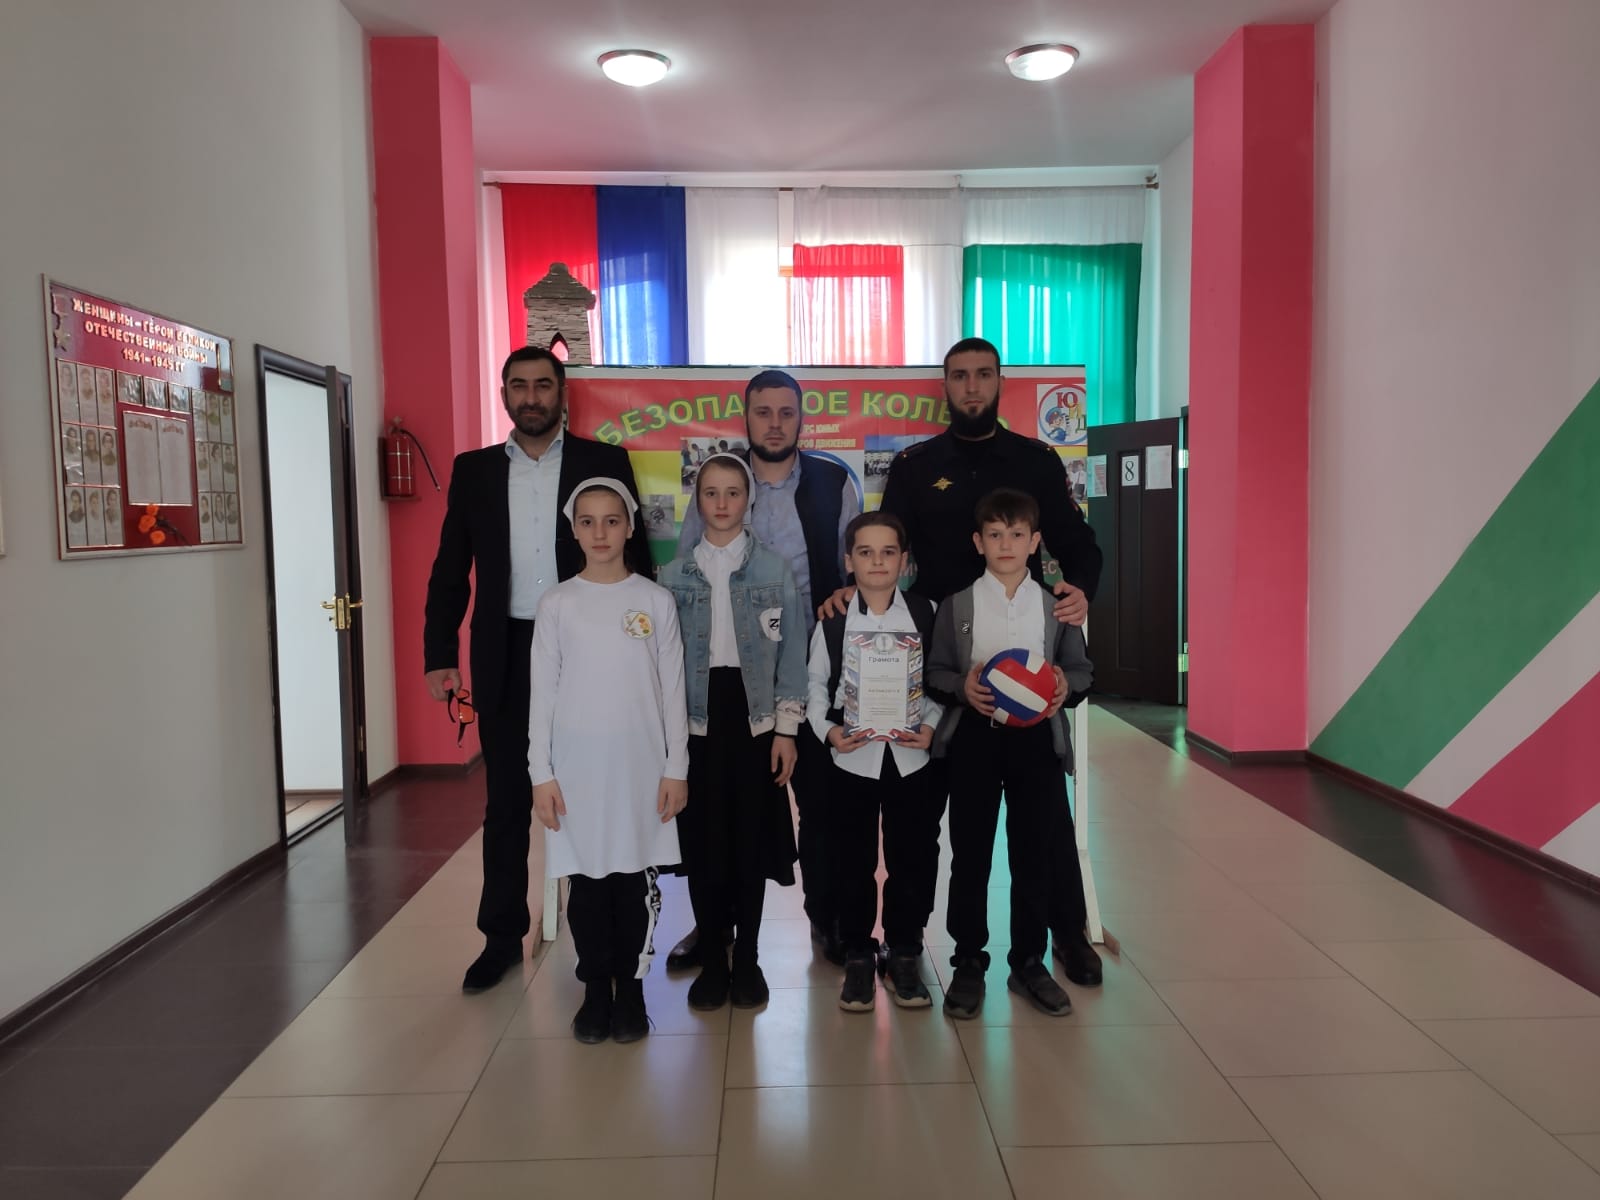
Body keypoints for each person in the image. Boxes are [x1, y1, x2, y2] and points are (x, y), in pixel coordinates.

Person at [824, 336, 1106, 987]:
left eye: (983, 375)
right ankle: (911, 946)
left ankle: (1066, 934)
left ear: (998, 383)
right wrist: (851, 590)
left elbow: (1078, 543)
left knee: (1044, 824)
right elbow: (882, 544)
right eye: (959, 376)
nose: (972, 386)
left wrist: (1081, 593)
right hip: (938, 658)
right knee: (926, 819)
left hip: (1023, 663)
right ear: (947, 386)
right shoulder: (917, 465)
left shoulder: (1035, 461)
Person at [423, 346, 652, 993]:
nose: (531, 396)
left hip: (589, 646)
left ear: (561, 394)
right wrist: (439, 654)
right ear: (504, 395)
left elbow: (636, 560)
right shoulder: (473, 471)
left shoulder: (603, 463)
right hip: (505, 650)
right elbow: (450, 569)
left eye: (543, 385)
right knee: (506, 802)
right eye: (519, 386)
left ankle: (599, 941)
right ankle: (500, 936)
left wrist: (640, 650)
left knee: (591, 792)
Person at [669, 369, 859, 969]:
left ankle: (825, 918)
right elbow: (687, 576)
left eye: (786, 412)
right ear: (745, 417)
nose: (775, 423)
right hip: (733, 680)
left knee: (823, 805)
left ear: (802, 418)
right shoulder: (720, 483)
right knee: (723, 806)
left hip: (817, 668)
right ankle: (714, 926)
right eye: (763, 412)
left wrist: (848, 590)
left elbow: (856, 565)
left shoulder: (834, 481)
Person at [529, 480, 687, 1043]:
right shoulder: (557, 604)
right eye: (588, 521)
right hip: (575, 774)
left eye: (612, 520)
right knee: (588, 886)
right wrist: (541, 773)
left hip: (641, 771)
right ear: (573, 530)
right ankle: (596, 989)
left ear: (630, 527)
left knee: (632, 882)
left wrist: (676, 767)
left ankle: (633, 989)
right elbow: (542, 695)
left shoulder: (655, 601)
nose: (600, 532)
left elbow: (673, 692)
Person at [927, 489, 1093, 1019]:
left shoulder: (1055, 607)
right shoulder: (957, 605)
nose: (1006, 544)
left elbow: (1081, 670)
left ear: (1035, 541)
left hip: (1036, 742)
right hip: (975, 740)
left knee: (1033, 854)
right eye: (995, 535)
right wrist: (962, 687)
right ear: (978, 542)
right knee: (971, 854)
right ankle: (967, 962)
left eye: (1016, 534)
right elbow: (935, 671)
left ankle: (1028, 962)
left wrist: (1065, 686)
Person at [658, 454, 807, 1010]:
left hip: (755, 723)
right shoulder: (672, 577)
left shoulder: (774, 570)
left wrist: (786, 730)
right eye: (711, 493)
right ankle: (715, 960)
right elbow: (662, 666)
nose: (722, 503)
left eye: (733, 493)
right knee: (704, 846)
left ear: (749, 500)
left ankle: (748, 957)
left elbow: (792, 653)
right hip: (695, 723)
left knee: (749, 843)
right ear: (697, 502)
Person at [806, 511, 942, 1012]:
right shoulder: (834, 620)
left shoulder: (927, 613)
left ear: (905, 561)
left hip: (911, 758)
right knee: (851, 860)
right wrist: (828, 732)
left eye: (888, 552)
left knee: (913, 858)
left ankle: (904, 951)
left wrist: (930, 724)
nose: (877, 562)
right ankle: (859, 954)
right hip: (852, 760)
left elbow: (939, 682)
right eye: (866, 552)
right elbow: (814, 686)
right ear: (849, 561)